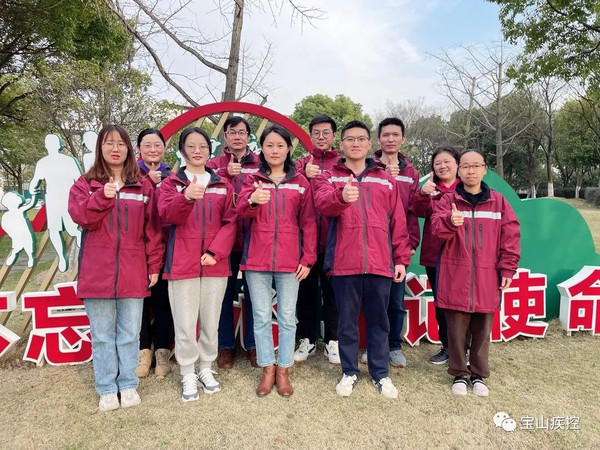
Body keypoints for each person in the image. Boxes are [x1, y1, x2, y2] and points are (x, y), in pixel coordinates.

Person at [68, 124, 163, 412]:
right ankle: (107, 388)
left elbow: (153, 230)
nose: (115, 148)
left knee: (130, 333)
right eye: (109, 143)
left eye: (121, 143)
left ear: (129, 149)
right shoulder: (86, 184)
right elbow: (81, 216)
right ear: (100, 148)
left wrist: (154, 264)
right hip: (97, 270)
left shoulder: (143, 185)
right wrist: (102, 197)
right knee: (102, 335)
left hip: (134, 269)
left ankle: (128, 384)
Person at [313, 120, 412, 399]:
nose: (355, 144)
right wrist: (342, 197)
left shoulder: (385, 179)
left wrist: (400, 258)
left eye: (360, 139)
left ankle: (381, 373)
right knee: (346, 322)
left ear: (370, 144)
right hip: (344, 263)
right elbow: (322, 205)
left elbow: (398, 222)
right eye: (349, 139)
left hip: (380, 263)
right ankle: (349, 371)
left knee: (379, 321)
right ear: (341, 144)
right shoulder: (329, 177)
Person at [431, 149, 520, 396]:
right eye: (465, 166)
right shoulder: (447, 201)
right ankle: (459, 373)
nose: (471, 171)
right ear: (458, 170)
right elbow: (436, 230)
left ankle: (478, 374)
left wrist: (508, 268)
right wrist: (450, 223)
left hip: (487, 275)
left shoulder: (498, 202)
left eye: (476, 166)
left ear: (484, 169)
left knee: (482, 330)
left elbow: (511, 237)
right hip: (455, 274)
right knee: (456, 330)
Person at [237, 124, 317, 397]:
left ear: (289, 149)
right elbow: (240, 211)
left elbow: (309, 222)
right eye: (269, 145)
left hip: (290, 260)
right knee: (260, 316)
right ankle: (267, 368)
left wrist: (308, 258)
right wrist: (252, 200)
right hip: (256, 259)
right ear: (261, 148)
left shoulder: (300, 182)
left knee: (287, 318)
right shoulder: (253, 180)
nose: (274, 150)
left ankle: (283, 369)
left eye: (280, 145)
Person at [158, 127, 237, 402]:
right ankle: (187, 372)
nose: (197, 151)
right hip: (182, 263)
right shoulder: (171, 184)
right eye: (191, 146)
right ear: (182, 151)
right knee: (184, 322)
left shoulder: (222, 184)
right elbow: (166, 216)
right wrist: (186, 197)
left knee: (211, 322)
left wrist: (216, 252)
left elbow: (231, 222)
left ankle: (206, 367)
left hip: (215, 264)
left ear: (209, 150)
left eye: (202, 146)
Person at [360, 118, 419, 368]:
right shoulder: (366, 167)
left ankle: (394, 345)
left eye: (395, 135)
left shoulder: (411, 173)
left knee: (395, 301)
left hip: (397, 246)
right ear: (378, 139)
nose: (391, 139)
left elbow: (412, 212)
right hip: (370, 245)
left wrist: (410, 243)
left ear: (403, 139)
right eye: (386, 135)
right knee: (372, 301)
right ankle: (373, 346)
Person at [207, 116, 258, 368]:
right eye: (232, 132)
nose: (237, 137)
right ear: (225, 136)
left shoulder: (260, 164)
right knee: (222, 295)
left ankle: (253, 345)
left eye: (242, 132)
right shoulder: (213, 165)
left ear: (249, 137)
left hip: (254, 239)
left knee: (254, 296)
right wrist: (225, 174)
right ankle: (225, 345)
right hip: (223, 240)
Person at [293, 114, 341, 365]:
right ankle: (308, 339)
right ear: (310, 135)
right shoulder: (300, 163)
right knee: (306, 293)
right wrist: (303, 173)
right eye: (316, 133)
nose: (321, 137)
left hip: (336, 240)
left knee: (334, 294)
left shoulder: (342, 164)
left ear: (334, 135)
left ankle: (333, 340)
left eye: (326, 133)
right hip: (306, 242)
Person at [412, 147, 460, 364]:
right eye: (438, 163)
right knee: (441, 303)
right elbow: (419, 211)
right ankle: (447, 347)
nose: (442, 166)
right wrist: (423, 194)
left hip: (461, 256)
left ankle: (465, 347)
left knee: (461, 304)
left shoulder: (467, 188)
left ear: (457, 164)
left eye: (447, 161)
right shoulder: (430, 188)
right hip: (436, 255)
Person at [135, 128, 175, 379]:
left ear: (164, 148)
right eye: (147, 145)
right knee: (140, 299)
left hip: (167, 246)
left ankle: (162, 350)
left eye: (157, 145)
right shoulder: (130, 176)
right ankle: (143, 350)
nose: (152, 150)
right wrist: (147, 182)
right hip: (138, 247)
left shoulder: (174, 176)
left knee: (163, 299)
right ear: (139, 149)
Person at [31, 134, 82, 272]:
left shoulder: (68, 161)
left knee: (72, 228)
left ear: (59, 145)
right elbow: (35, 180)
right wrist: (32, 189)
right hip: (53, 200)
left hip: (68, 199)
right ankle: (61, 257)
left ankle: (78, 238)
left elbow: (79, 179)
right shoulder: (43, 163)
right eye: (49, 143)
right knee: (54, 230)